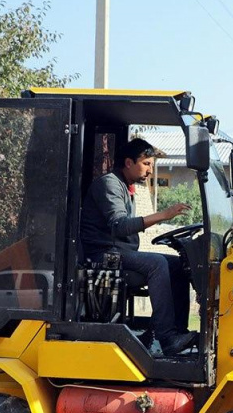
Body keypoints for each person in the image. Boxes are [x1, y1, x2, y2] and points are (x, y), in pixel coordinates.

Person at [80, 138, 198, 356]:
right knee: (157, 263)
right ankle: (167, 337)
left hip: (120, 254)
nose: (150, 171)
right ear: (128, 163)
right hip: (101, 256)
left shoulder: (125, 186)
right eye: (146, 164)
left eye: (152, 165)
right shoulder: (108, 184)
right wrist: (164, 214)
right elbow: (120, 225)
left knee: (180, 265)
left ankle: (178, 334)